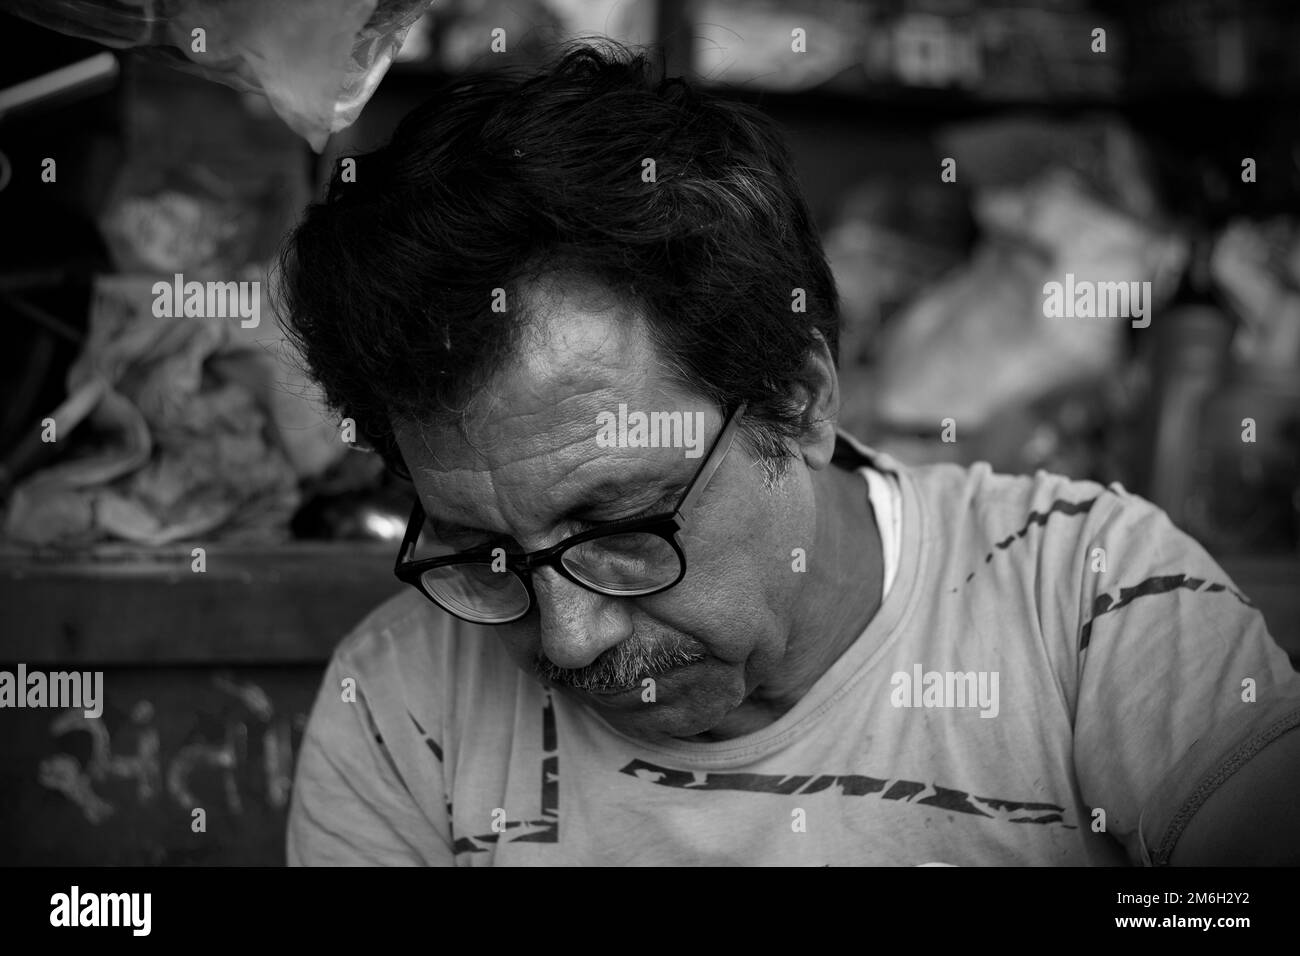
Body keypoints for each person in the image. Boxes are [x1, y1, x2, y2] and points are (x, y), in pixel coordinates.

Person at [278, 43, 1300, 866]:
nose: (572, 635)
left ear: (799, 399)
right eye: (486, 552)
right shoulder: (403, 697)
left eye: (622, 524)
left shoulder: (1089, 601)